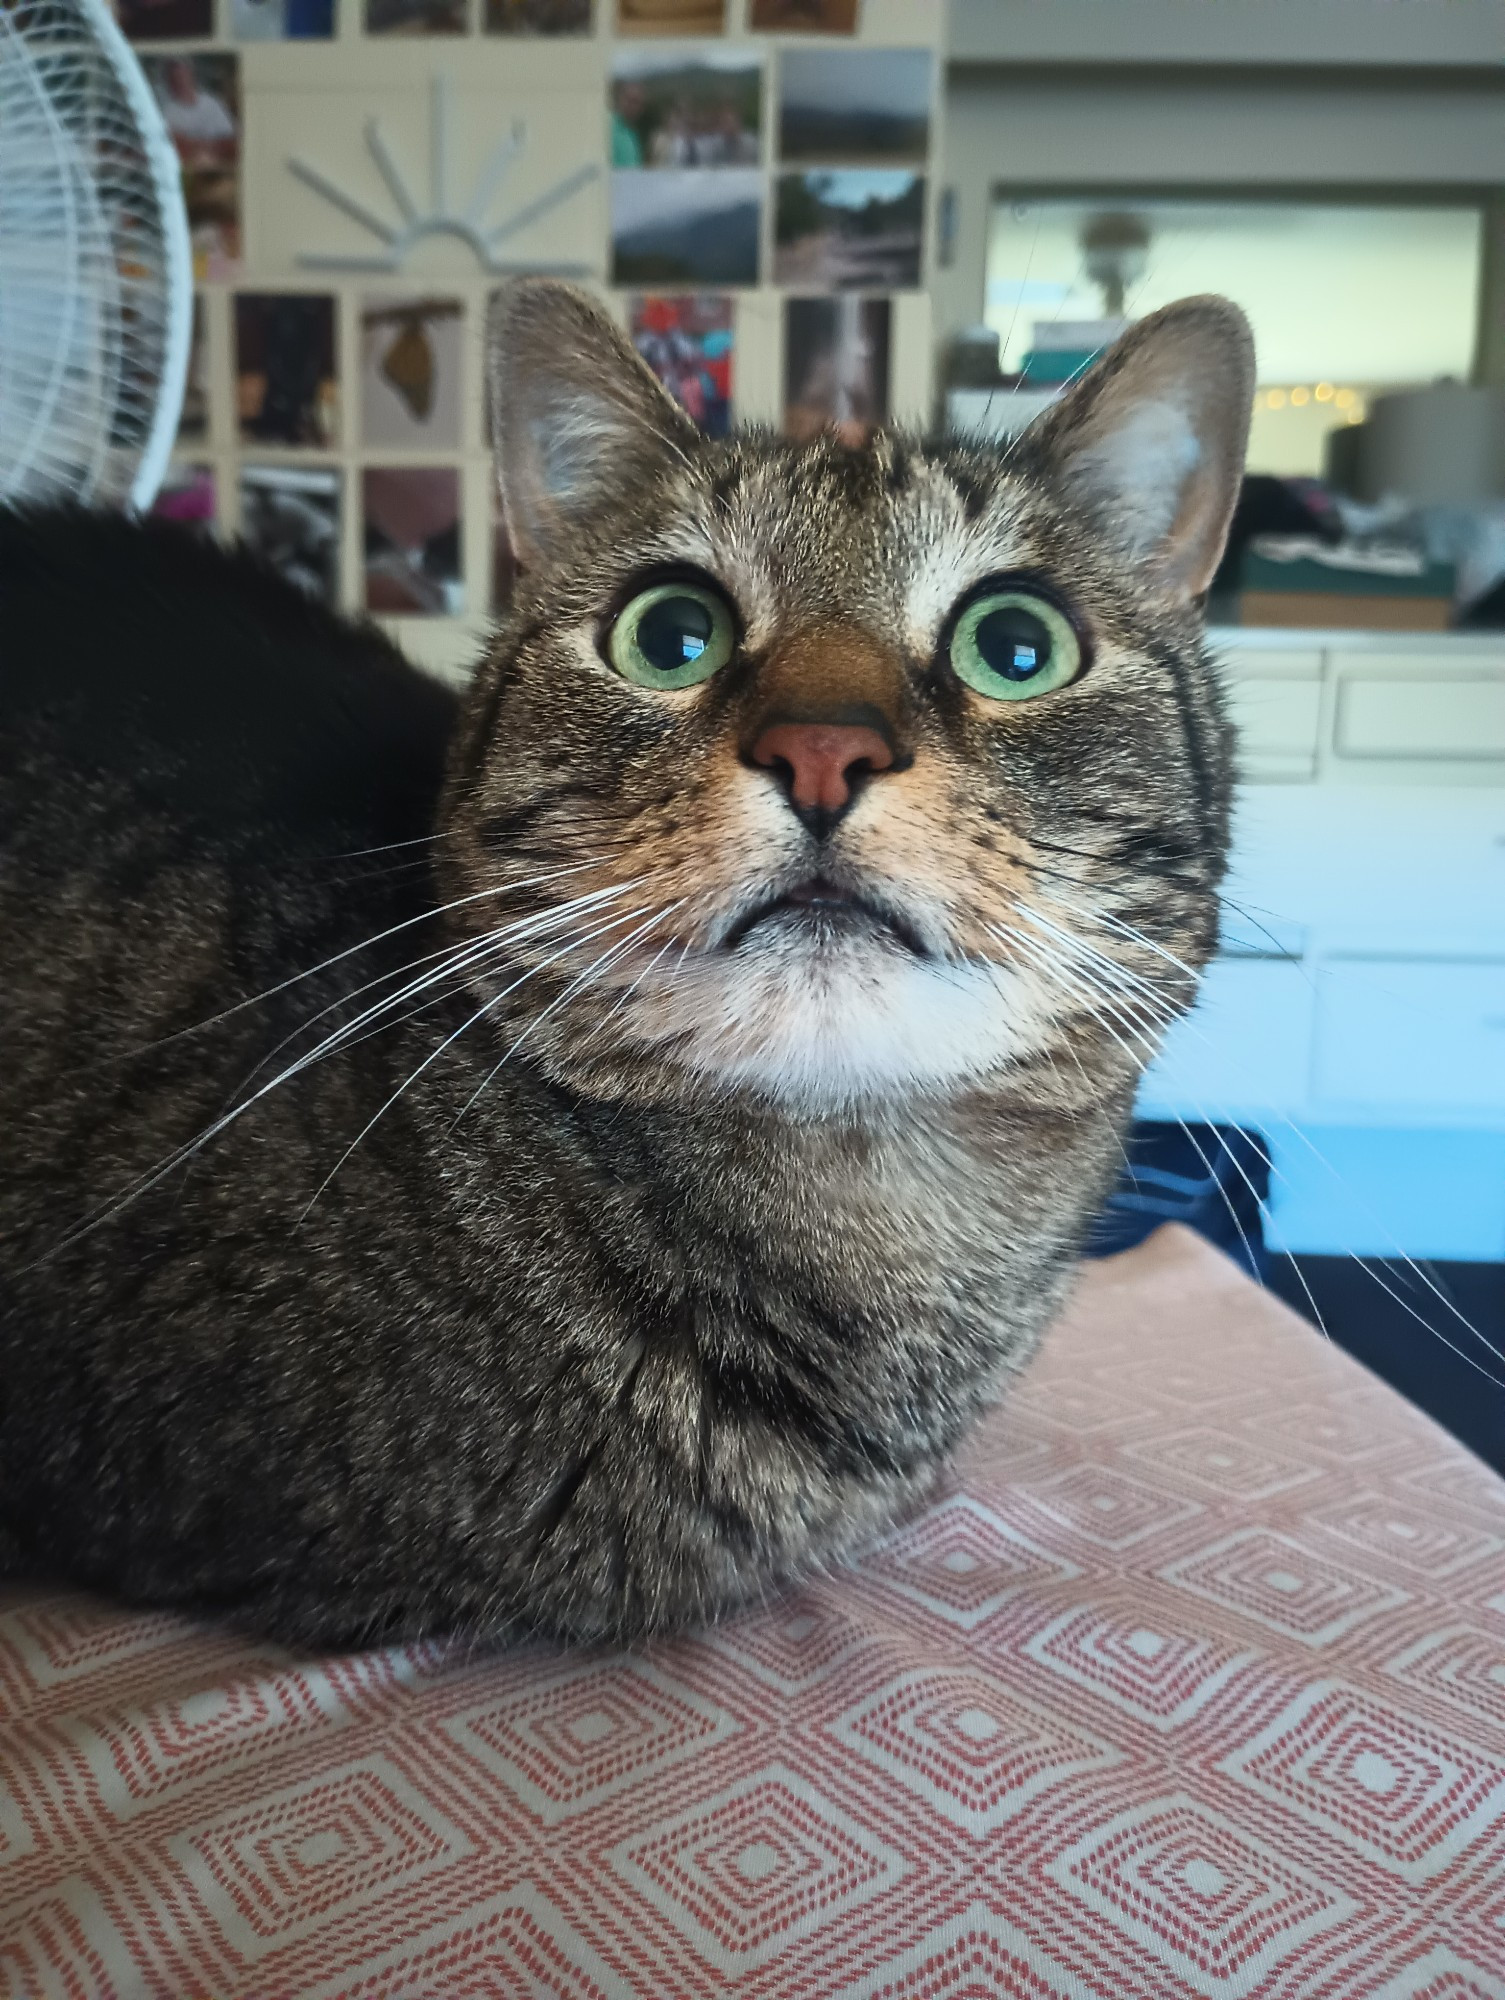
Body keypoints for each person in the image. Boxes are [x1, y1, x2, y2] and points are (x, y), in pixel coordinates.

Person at [610, 81, 646, 168]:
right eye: (631, 101)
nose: (634, 107)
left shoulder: (632, 133)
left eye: (638, 103)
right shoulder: (608, 128)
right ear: (619, 99)